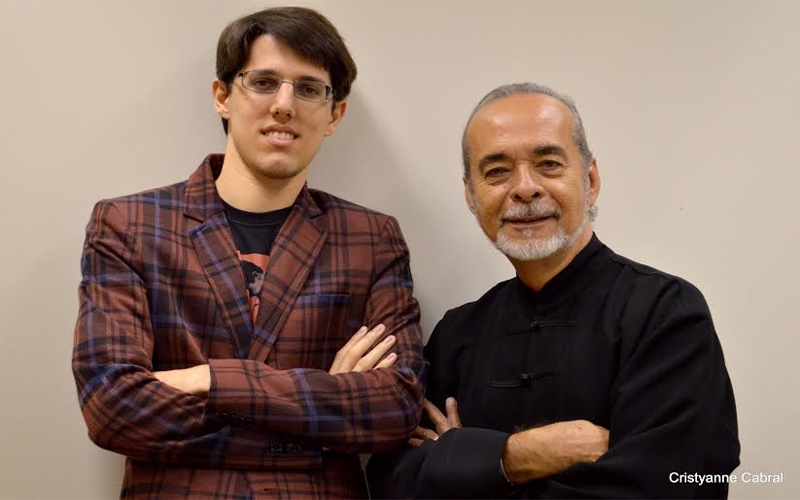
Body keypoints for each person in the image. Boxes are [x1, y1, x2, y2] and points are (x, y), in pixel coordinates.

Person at [72, 7, 425, 499]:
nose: (285, 105)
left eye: (308, 88)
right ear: (223, 97)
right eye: (263, 82)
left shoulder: (372, 237)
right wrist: (320, 419)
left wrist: (208, 379)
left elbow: (395, 409)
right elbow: (111, 406)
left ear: (334, 114)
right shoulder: (129, 225)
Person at [366, 82, 739, 499]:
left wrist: (461, 462)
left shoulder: (666, 313)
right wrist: (515, 455)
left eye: (548, 164)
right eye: (496, 172)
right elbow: (390, 483)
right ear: (471, 195)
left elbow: (670, 485)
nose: (525, 188)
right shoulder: (458, 333)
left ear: (591, 179)